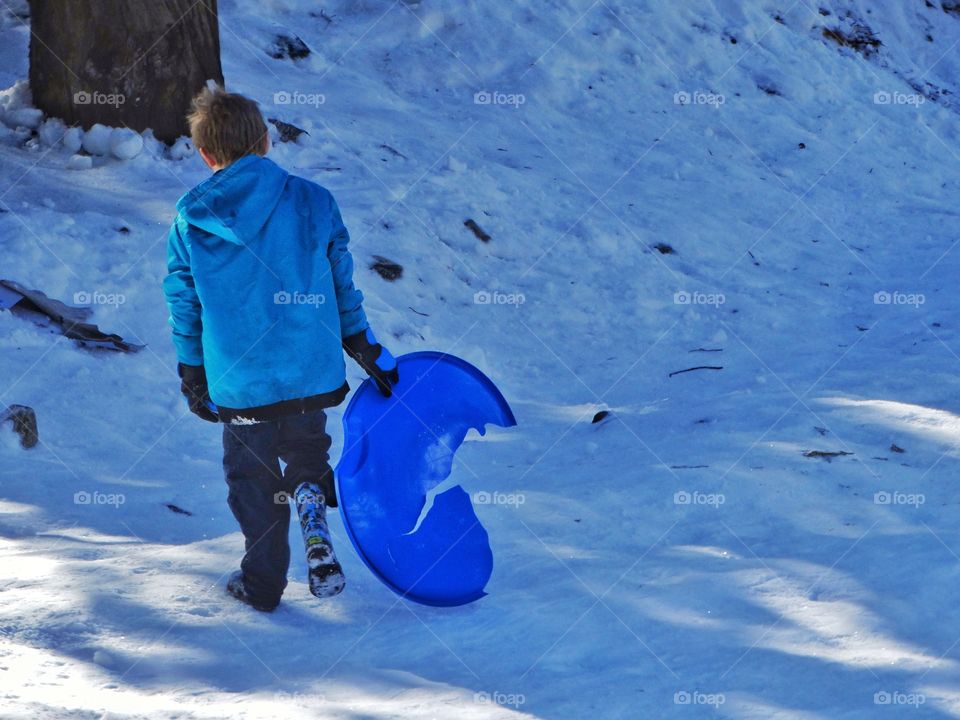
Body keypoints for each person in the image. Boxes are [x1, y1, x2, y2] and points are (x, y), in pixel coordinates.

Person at [162, 86, 399, 612]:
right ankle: (312, 504)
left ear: (206, 154)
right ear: (266, 141)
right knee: (307, 452)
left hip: (241, 383)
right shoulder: (314, 201)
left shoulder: (190, 218)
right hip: (308, 374)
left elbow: (184, 299)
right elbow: (341, 284)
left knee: (252, 480)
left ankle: (263, 584)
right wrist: (361, 343)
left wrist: (192, 369)